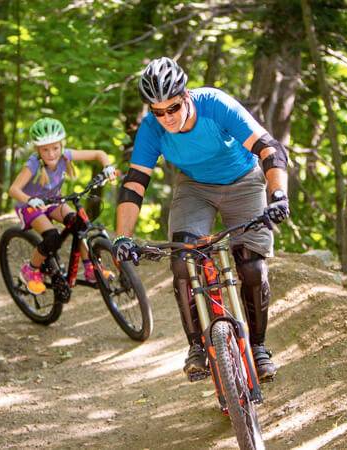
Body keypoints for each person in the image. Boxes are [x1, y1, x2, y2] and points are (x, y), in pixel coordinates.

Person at [112, 57, 290, 382]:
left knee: (251, 265)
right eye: (158, 111)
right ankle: (197, 346)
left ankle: (259, 348)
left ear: (186, 95)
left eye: (173, 107)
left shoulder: (216, 105)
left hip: (244, 181)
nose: (167, 117)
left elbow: (269, 148)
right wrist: (123, 236)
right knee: (183, 261)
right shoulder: (152, 128)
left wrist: (278, 194)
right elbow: (135, 182)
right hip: (195, 187)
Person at [9, 117, 116, 295]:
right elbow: (13, 189)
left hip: (53, 201)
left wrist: (108, 167)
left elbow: (99, 154)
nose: (51, 154)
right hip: (30, 206)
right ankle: (30, 270)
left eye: (55, 148)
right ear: (37, 149)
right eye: (45, 149)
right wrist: (30, 200)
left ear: (61, 145)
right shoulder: (33, 164)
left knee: (79, 224)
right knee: (52, 237)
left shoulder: (65, 155)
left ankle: (91, 268)